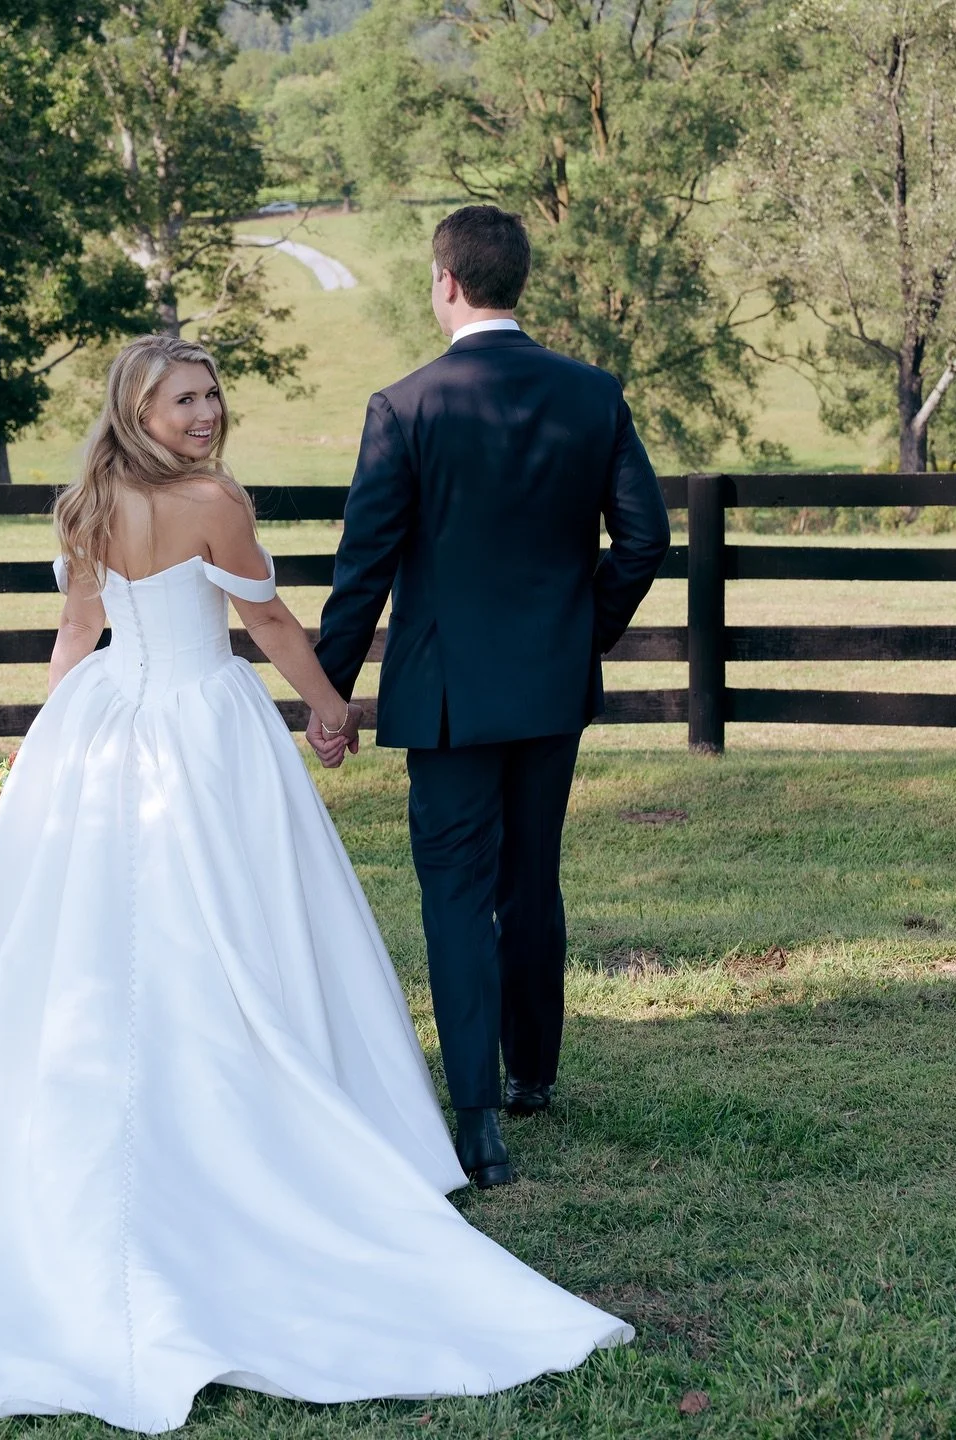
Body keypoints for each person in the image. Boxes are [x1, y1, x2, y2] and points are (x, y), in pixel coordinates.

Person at [0, 333, 631, 1434]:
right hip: (200, 728)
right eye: (183, 399)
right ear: (138, 409)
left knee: (126, 927)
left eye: (212, 395)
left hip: (105, 726)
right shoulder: (213, 501)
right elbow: (263, 620)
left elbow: (77, 636)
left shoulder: (85, 504)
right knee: (218, 917)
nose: (206, 413)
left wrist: (50, 742)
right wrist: (328, 704)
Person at [310, 206, 671, 1187]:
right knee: (532, 876)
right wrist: (580, 635)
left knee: (457, 893)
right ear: (516, 280)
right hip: (550, 688)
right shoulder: (592, 393)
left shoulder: (404, 406)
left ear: (447, 283)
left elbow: (364, 568)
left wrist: (327, 693)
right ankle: (534, 1077)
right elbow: (645, 540)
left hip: (446, 697)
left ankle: (477, 1119)